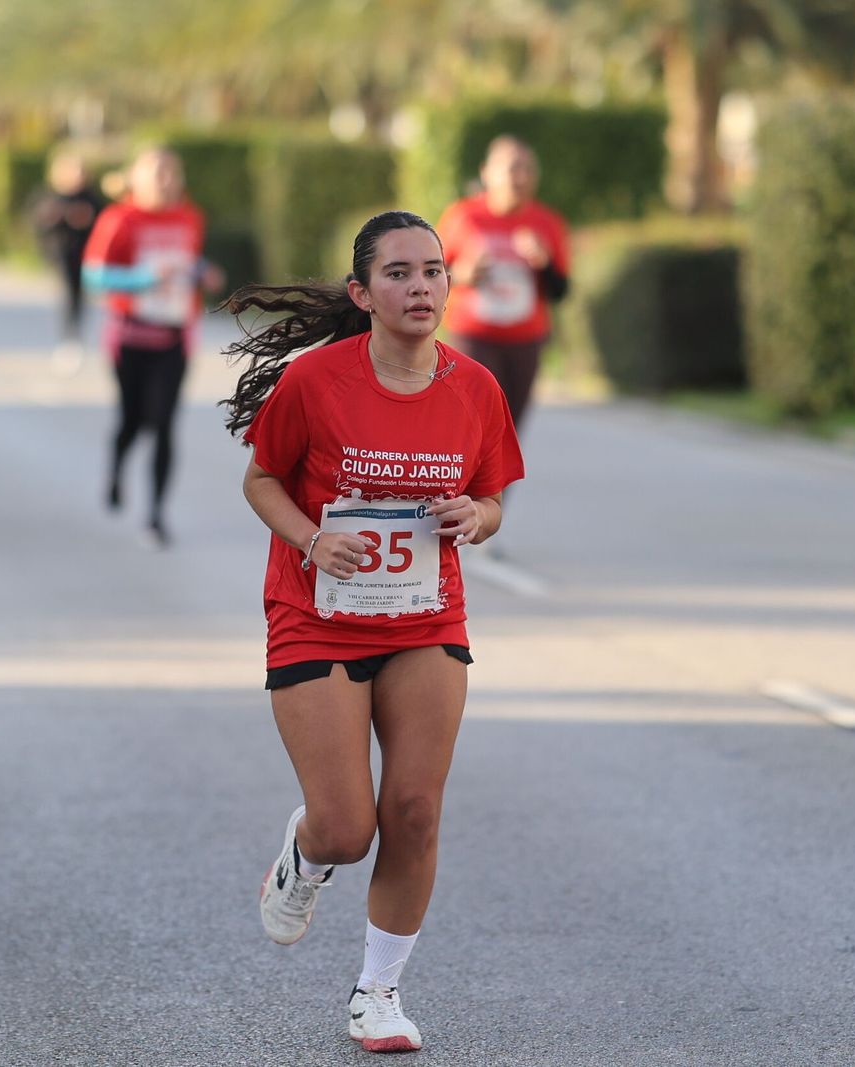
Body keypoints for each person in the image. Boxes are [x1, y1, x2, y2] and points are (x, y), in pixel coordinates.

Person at [221, 210, 524, 1053]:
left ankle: (378, 993)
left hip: (425, 616)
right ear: (362, 293)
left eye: (432, 270)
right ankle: (306, 851)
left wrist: (478, 516)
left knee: (416, 809)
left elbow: (493, 497)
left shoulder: (476, 387)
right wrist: (312, 538)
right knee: (348, 827)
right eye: (398, 273)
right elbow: (261, 479)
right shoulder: (317, 382)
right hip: (317, 615)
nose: (420, 286)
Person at [82, 147, 223, 547]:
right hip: (130, 337)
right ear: (136, 179)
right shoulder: (119, 218)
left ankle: (156, 516)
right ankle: (116, 467)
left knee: (163, 424)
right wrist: (143, 279)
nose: (166, 181)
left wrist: (204, 272)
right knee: (133, 420)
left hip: (174, 337)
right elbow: (93, 277)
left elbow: (188, 261)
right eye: (157, 173)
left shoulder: (189, 216)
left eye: (172, 172)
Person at [437, 135, 571, 433]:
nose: (521, 178)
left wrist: (545, 264)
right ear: (487, 172)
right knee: (473, 423)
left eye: (528, 170)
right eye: (512, 168)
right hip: (473, 338)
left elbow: (561, 291)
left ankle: (497, 468)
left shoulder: (547, 223)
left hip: (525, 342)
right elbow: (430, 275)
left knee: (508, 429)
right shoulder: (463, 216)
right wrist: (461, 274)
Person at [31, 152, 105, 350]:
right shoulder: (49, 195)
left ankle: (75, 330)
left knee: (79, 292)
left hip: (85, 251)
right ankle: (69, 333)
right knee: (69, 291)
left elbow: (101, 220)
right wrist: (58, 217)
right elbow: (39, 220)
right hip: (60, 251)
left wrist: (85, 218)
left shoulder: (90, 197)